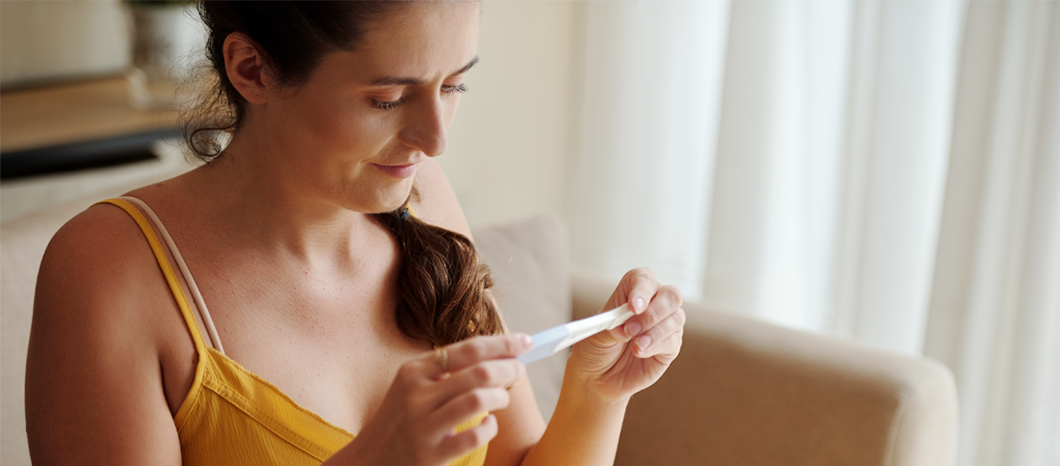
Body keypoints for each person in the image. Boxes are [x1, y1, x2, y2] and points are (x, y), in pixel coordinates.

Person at [25, 2, 686, 465]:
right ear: (251, 69)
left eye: (455, 85)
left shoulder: (425, 202)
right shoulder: (111, 268)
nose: (436, 138)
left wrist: (596, 394)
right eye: (386, 99)